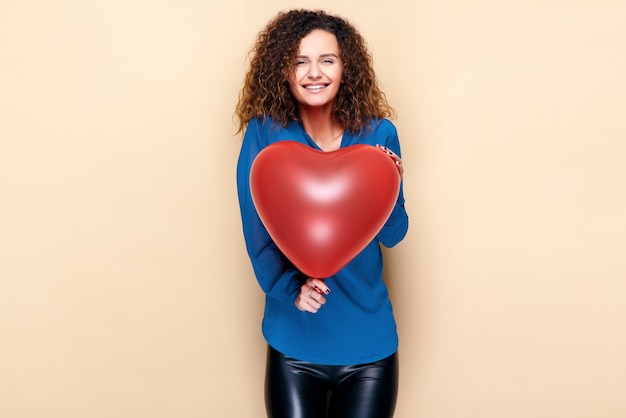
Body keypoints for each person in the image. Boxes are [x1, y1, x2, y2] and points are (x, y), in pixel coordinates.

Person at [234, 9, 409, 418]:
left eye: (327, 60)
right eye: (300, 61)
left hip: (369, 349)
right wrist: (290, 287)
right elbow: (255, 230)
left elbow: (394, 234)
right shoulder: (264, 133)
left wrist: (391, 184)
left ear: (346, 68)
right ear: (284, 70)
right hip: (293, 345)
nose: (314, 73)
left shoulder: (379, 133)